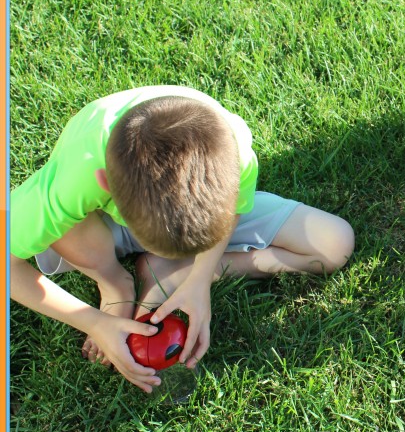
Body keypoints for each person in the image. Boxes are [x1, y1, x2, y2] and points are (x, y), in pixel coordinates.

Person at [10, 85, 355, 392]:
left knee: (333, 243)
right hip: (101, 225)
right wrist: (93, 321)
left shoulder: (231, 150)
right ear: (105, 183)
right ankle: (113, 282)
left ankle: (171, 272)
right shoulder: (77, 175)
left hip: (182, 209)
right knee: (62, 224)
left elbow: (234, 208)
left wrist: (201, 276)